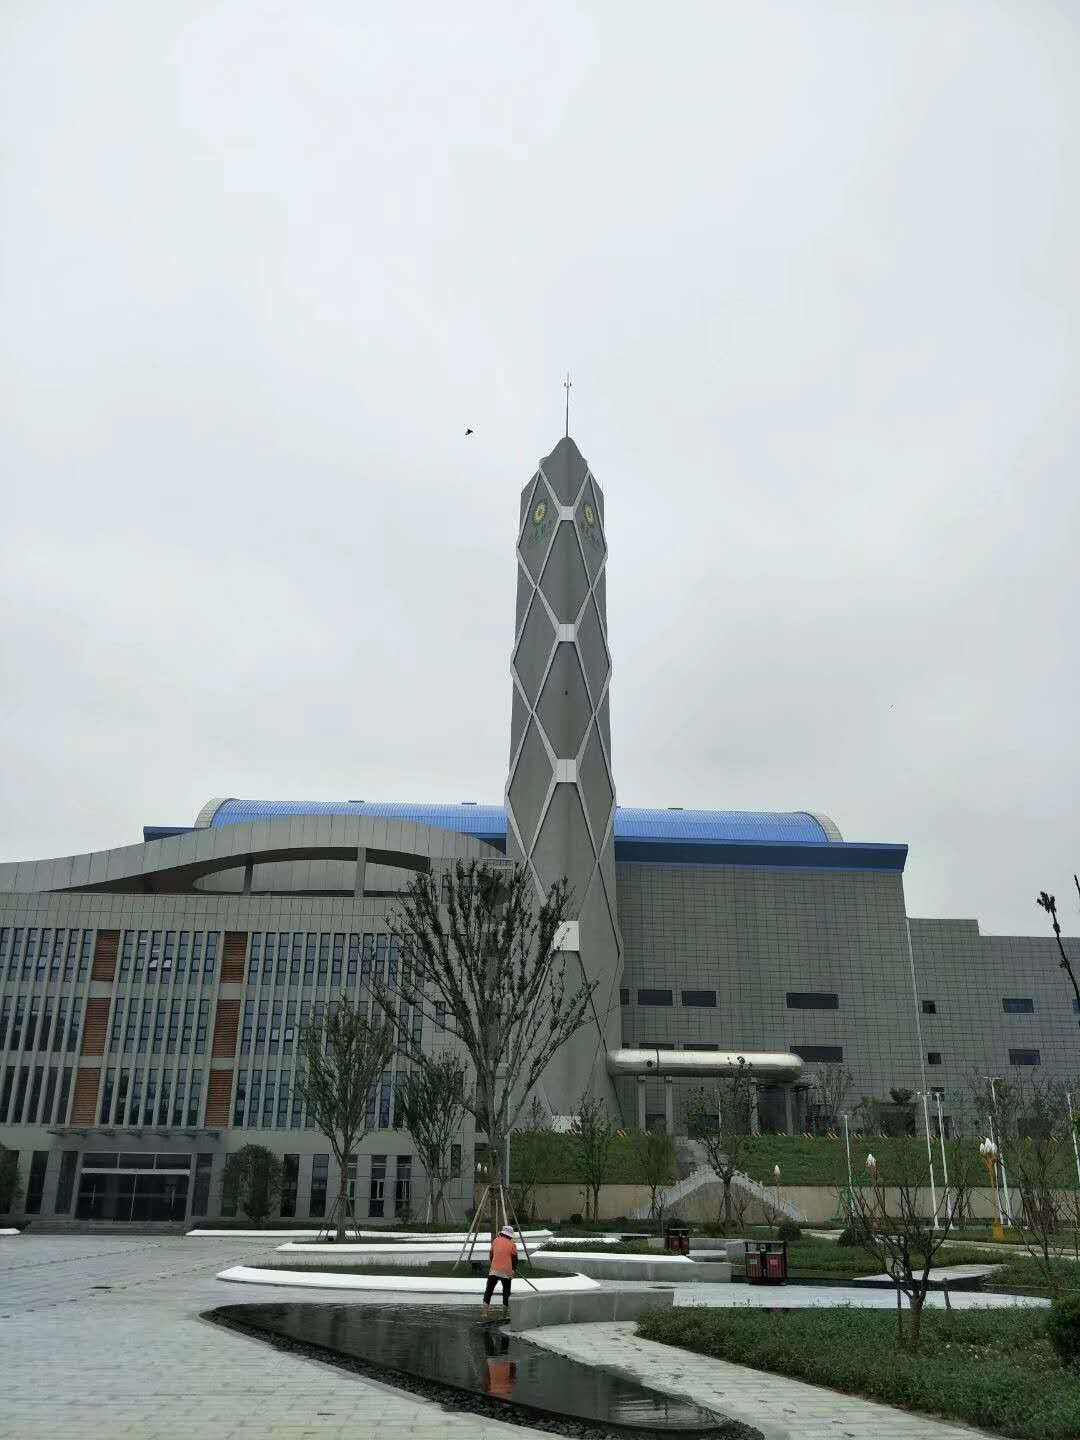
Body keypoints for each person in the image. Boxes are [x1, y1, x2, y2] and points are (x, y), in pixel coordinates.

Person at [482, 1223, 518, 1314]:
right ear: (510, 1235)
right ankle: (504, 1315)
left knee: (488, 1291)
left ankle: (484, 1313)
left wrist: (494, 1264)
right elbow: (514, 1260)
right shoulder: (512, 1245)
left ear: (502, 1233)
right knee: (506, 1293)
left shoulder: (495, 1241)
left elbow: (491, 1255)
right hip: (506, 1272)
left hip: (494, 1270)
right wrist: (513, 1270)